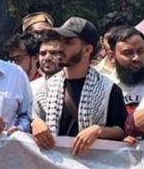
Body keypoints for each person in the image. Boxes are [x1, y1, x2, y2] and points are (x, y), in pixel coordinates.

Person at [31, 17, 127, 155]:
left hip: (93, 165)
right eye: (60, 41)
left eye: (68, 42)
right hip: (52, 165)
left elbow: (121, 131)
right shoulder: (46, 88)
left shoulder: (108, 89)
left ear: (87, 50)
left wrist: (98, 130)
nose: (60, 47)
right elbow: (33, 120)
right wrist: (35, 123)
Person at [107, 27, 144, 110]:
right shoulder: (106, 88)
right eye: (128, 53)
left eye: (140, 51)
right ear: (112, 56)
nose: (136, 58)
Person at [94, 11, 132, 75]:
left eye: (121, 39)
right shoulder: (93, 75)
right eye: (110, 40)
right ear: (102, 42)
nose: (115, 45)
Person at [30, 29, 62, 97]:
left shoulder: (72, 87)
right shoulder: (31, 88)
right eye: (43, 53)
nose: (47, 58)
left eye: (53, 53)